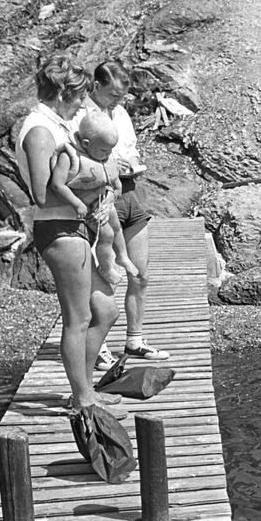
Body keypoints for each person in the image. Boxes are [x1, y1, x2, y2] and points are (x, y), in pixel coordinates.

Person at [15, 54, 124, 418]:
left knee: (105, 309)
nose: (83, 102)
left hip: (76, 227)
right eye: (78, 95)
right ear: (62, 91)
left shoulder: (61, 124)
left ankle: (86, 387)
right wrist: (92, 192)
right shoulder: (40, 131)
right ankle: (82, 398)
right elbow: (41, 194)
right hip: (58, 228)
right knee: (77, 318)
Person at [86, 61, 170, 368]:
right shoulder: (82, 115)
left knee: (140, 273)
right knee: (107, 276)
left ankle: (135, 339)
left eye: (121, 97)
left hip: (132, 191)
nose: (117, 102)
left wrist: (132, 159)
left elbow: (131, 147)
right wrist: (110, 167)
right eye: (112, 95)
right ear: (96, 86)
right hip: (103, 195)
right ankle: (99, 346)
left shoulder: (120, 113)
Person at [48, 111, 139, 287]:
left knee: (117, 228)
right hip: (88, 206)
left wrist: (113, 193)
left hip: (104, 201)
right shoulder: (69, 156)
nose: (109, 154)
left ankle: (122, 257)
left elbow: (112, 180)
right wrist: (77, 204)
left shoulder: (104, 154)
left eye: (111, 150)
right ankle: (106, 267)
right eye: (105, 150)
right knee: (107, 235)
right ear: (86, 144)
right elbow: (58, 185)